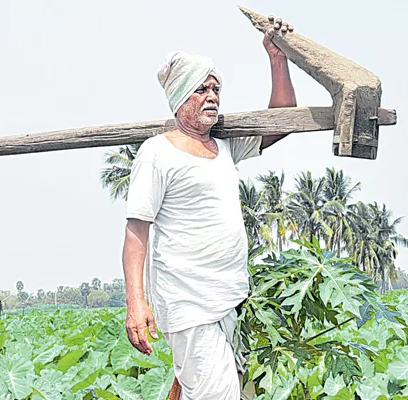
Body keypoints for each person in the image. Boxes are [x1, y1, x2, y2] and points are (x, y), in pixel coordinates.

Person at [121, 15, 297, 400]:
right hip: (189, 303)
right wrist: (136, 302)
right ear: (181, 97)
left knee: (210, 388)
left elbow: (282, 119)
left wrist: (277, 56)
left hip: (229, 297)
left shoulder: (225, 147)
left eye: (216, 88)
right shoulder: (158, 153)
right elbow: (136, 234)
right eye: (202, 89)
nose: (213, 96)